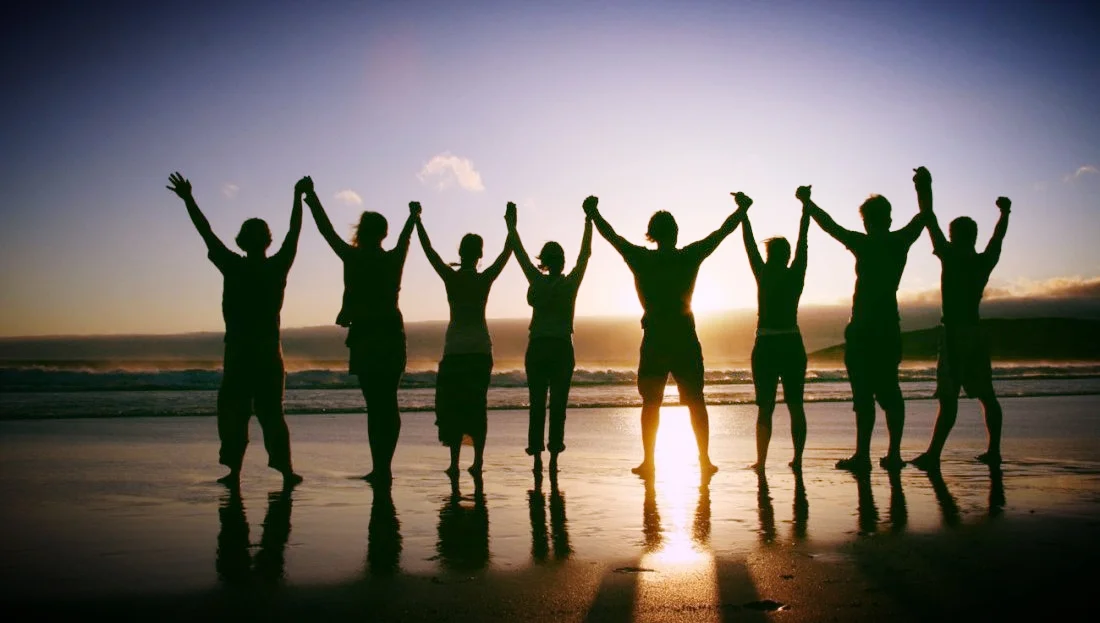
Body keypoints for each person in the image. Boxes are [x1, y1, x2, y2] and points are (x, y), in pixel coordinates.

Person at [584, 197, 748, 477]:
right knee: (695, 400)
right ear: (675, 233)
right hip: (683, 336)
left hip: (657, 339)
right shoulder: (688, 256)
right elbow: (721, 233)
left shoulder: (642, 258)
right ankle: (704, 459)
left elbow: (613, 237)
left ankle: (650, 461)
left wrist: (594, 213)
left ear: (652, 234)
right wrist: (741, 210)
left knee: (652, 402)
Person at [166, 172, 304, 487]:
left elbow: (206, 232)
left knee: (234, 412)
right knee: (270, 413)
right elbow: (294, 233)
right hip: (268, 351)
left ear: (242, 241)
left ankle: (235, 471)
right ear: (267, 241)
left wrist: (189, 199)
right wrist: (298, 199)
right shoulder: (275, 266)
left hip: (241, 351)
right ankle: (284, 470)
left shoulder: (234, 265)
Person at [805, 177, 926, 471]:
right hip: (886, 326)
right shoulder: (899, 241)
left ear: (866, 220)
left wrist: (808, 203)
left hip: (863, 328)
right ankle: (893, 454)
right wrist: (923, 187)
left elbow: (830, 226)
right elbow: (924, 217)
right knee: (890, 391)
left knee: (864, 394)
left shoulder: (864, 242)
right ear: (888, 217)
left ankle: (863, 455)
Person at [304, 179, 420, 484]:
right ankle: (384, 467)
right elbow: (406, 239)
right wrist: (412, 216)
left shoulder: (353, 256)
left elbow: (326, 230)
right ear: (383, 233)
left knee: (375, 405)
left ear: (361, 231)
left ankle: (379, 466)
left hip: (368, 336)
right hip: (392, 334)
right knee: (388, 402)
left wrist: (312, 197)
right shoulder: (392, 259)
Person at [908, 166, 1011, 470]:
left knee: (949, 398)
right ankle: (993, 450)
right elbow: (998, 237)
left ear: (954, 236)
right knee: (986, 395)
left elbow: (929, 217)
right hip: (976, 332)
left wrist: (923, 184)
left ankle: (934, 455)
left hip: (954, 333)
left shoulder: (950, 255)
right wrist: (1005, 213)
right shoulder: (984, 261)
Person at [417, 206, 513, 475]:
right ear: (480, 255)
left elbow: (430, 253)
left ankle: (454, 463)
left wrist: (417, 221)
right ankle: (478, 461)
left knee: (454, 407)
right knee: (477, 406)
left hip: (456, 350)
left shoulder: (451, 278)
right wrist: (511, 225)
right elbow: (507, 253)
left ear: (460, 253)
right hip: (480, 351)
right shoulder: (483, 279)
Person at [506, 199, 593, 474]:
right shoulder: (569, 284)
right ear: (561, 261)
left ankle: (537, 455)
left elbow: (519, 253)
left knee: (537, 404)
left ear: (544, 262)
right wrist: (588, 220)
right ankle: (554, 454)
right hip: (561, 348)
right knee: (558, 404)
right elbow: (585, 255)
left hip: (539, 347)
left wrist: (511, 225)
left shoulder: (537, 281)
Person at [737, 188, 812, 472]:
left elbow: (748, 245)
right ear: (788, 254)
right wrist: (805, 207)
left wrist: (744, 212)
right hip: (792, 343)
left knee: (765, 407)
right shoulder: (795, 274)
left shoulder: (764, 272)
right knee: (795, 405)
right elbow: (804, 240)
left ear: (769, 255)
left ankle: (762, 461)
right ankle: (798, 459)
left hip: (767, 344)